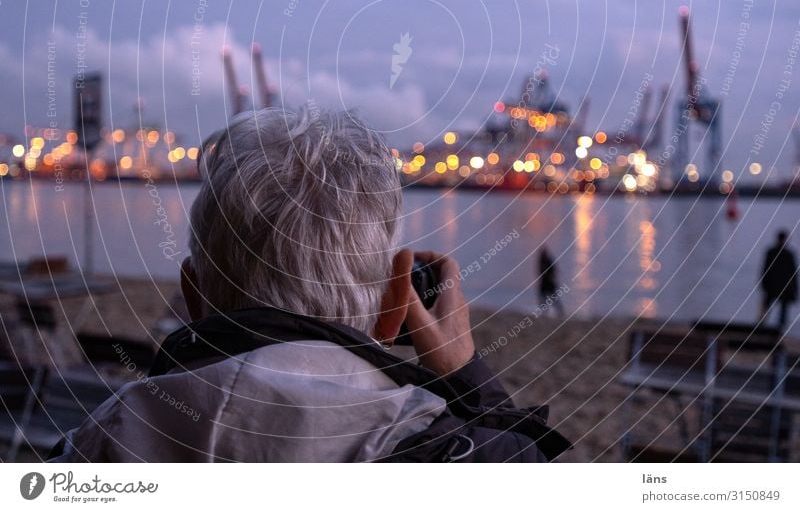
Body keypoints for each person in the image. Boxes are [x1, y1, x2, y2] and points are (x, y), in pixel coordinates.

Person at [52, 105, 570, 462]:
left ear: (192, 297)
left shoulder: (94, 443)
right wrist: (463, 373)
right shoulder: (447, 453)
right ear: (396, 306)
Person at [759, 229, 799, 331]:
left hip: (781, 287)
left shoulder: (786, 254)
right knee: (767, 310)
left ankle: (778, 330)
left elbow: (793, 273)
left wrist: (794, 289)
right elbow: (765, 269)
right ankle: (762, 328)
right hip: (773, 286)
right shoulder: (776, 253)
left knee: (781, 313)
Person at [538, 246, 564, 315]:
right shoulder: (542, 261)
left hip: (549, 283)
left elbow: (554, 272)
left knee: (553, 298)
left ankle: (559, 312)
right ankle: (545, 312)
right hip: (545, 283)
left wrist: (551, 279)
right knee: (545, 298)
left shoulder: (547, 261)